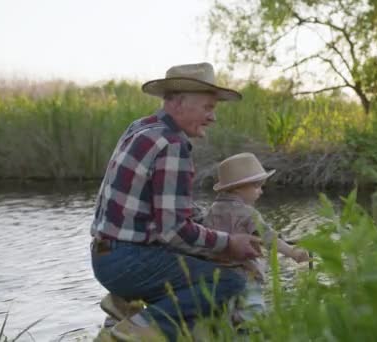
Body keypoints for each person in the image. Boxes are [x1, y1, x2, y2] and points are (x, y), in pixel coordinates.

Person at [90, 62, 261, 341]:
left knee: (197, 280)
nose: (213, 117)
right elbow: (174, 231)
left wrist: (213, 227)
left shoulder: (142, 128)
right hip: (129, 260)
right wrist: (229, 243)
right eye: (208, 107)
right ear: (180, 102)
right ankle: (128, 333)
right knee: (229, 282)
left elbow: (165, 210)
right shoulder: (172, 144)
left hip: (104, 256)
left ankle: (124, 310)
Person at [203, 152, 310, 324]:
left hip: (215, 275)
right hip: (245, 275)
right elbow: (268, 237)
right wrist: (293, 253)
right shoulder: (248, 213)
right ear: (238, 187)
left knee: (225, 317)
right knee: (253, 316)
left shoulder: (213, 209)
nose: (261, 191)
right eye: (257, 186)